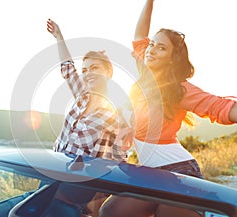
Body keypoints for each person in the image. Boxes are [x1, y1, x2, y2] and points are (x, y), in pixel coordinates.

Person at [99, 0, 237, 216]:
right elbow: (139, 38)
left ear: (172, 60)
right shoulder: (144, 75)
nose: (151, 49)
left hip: (179, 171)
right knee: (111, 211)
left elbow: (219, 107)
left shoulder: (178, 89)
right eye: (152, 44)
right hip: (148, 173)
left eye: (161, 47)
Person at [47, 18, 127, 161]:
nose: (88, 73)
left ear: (108, 72)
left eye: (95, 67)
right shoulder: (82, 97)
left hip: (82, 179)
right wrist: (59, 36)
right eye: (84, 70)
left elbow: (121, 154)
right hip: (56, 167)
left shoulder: (115, 113)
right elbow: (68, 69)